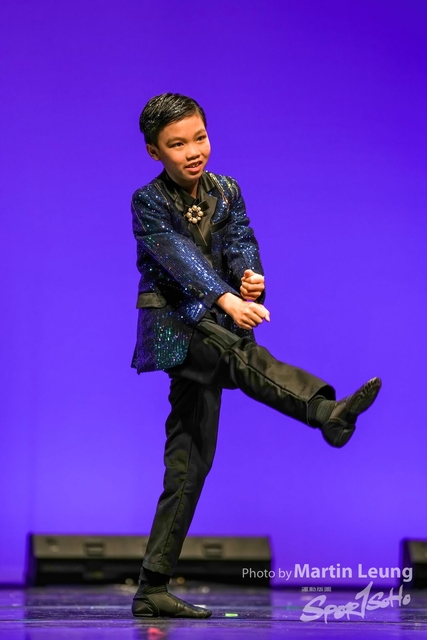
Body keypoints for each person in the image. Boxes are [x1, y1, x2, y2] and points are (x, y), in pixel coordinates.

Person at [130, 93, 381, 618]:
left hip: (219, 319)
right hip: (180, 328)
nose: (193, 151)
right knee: (238, 354)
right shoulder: (148, 201)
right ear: (155, 152)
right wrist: (227, 299)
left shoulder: (227, 189)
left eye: (200, 137)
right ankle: (324, 411)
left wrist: (250, 280)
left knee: (189, 464)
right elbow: (179, 261)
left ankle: (152, 586)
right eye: (177, 144)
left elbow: (242, 239)